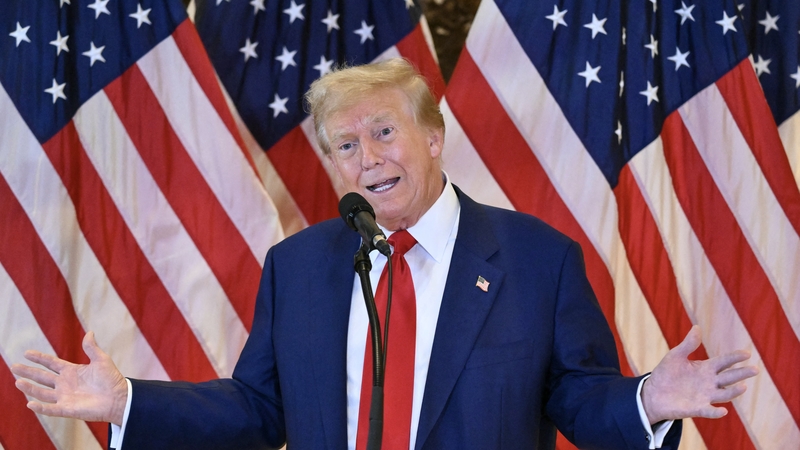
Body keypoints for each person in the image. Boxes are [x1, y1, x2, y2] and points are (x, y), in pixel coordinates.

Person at [11, 58, 757, 450]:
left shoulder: (537, 259)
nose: (365, 158)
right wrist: (128, 403)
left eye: (383, 132)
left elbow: (577, 397)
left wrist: (646, 400)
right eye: (344, 144)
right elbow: (257, 410)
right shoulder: (298, 267)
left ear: (433, 137)